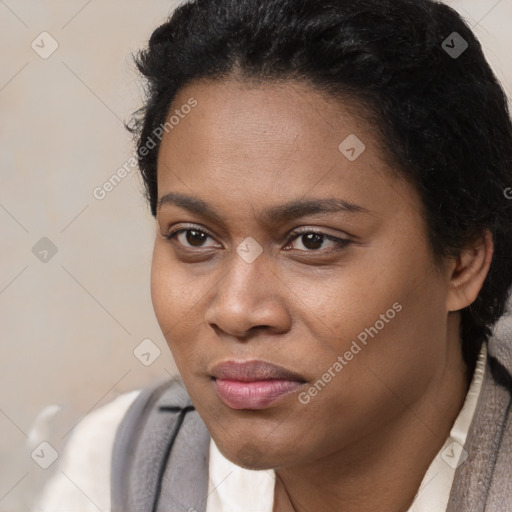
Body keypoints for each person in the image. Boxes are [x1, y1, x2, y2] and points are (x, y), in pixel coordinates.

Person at [35, 0, 512, 511]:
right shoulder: (117, 470)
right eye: (195, 237)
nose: (237, 311)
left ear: (462, 261)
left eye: (312, 241)